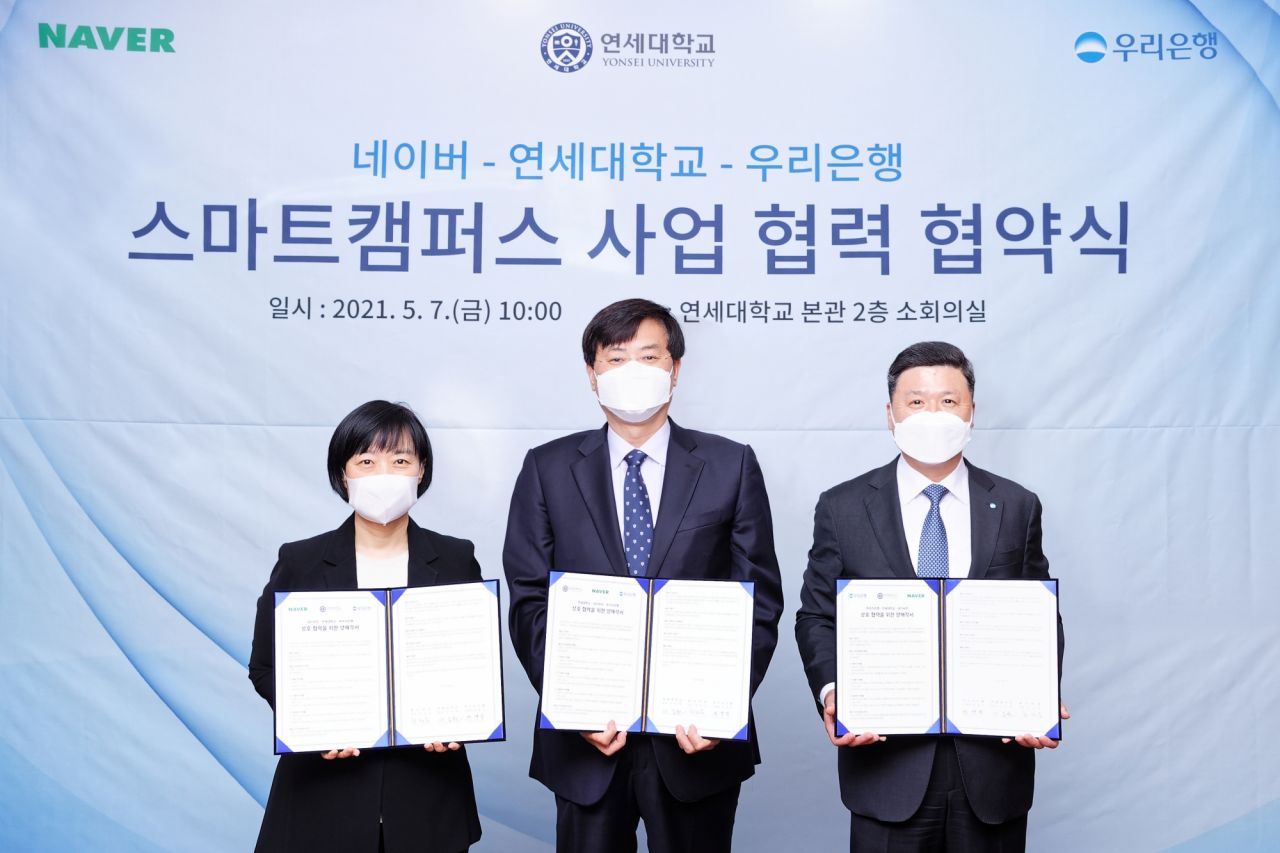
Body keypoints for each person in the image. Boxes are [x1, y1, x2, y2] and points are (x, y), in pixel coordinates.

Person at [503, 298, 784, 853]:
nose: (632, 370)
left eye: (649, 356)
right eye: (616, 358)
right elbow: (529, 598)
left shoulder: (730, 465)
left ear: (675, 369)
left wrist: (721, 706)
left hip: (695, 741)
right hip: (586, 742)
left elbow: (758, 599)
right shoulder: (547, 467)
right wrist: (571, 705)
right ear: (592, 375)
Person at [795, 341, 1068, 852]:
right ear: (891, 413)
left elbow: (1037, 615)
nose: (932, 415)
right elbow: (817, 616)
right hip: (885, 766)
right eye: (916, 402)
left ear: (971, 411)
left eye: (948, 401)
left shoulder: (1016, 505)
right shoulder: (843, 506)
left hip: (992, 765)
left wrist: (1037, 696)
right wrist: (834, 693)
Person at [248, 400, 482, 853]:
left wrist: (459, 720)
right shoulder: (301, 561)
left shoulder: (457, 559)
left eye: (400, 461)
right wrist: (312, 723)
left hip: (427, 799)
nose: (383, 475)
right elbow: (264, 667)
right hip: (321, 798)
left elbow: (470, 669)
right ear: (343, 474)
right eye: (367, 461)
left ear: (421, 470)